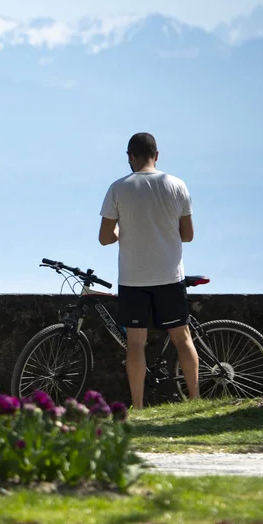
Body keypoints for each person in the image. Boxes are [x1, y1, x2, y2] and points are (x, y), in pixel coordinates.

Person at [98, 132, 199, 409]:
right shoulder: (177, 185)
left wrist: (123, 229)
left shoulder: (118, 188)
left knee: (136, 344)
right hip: (169, 274)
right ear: (157, 155)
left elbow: (105, 237)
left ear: (130, 157)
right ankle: (195, 399)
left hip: (133, 278)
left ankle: (139, 406)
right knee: (182, 337)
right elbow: (187, 235)